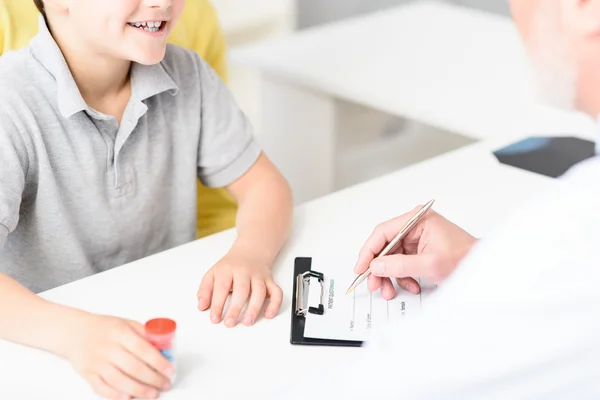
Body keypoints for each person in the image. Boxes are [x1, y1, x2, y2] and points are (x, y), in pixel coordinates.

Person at [274, 0, 600, 398]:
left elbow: (388, 385)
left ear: (583, 8)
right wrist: (479, 257)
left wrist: (508, 270)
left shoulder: (573, 233)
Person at [0, 0, 293, 399]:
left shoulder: (189, 74)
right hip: (49, 354)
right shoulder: (10, 103)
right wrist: (76, 336)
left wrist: (251, 253)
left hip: (173, 333)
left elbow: (264, 185)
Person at [0, 0, 239, 240]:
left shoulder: (189, 68)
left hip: (179, 268)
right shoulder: (10, 100)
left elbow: (256, 191)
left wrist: (248, 254)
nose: (163, 2)